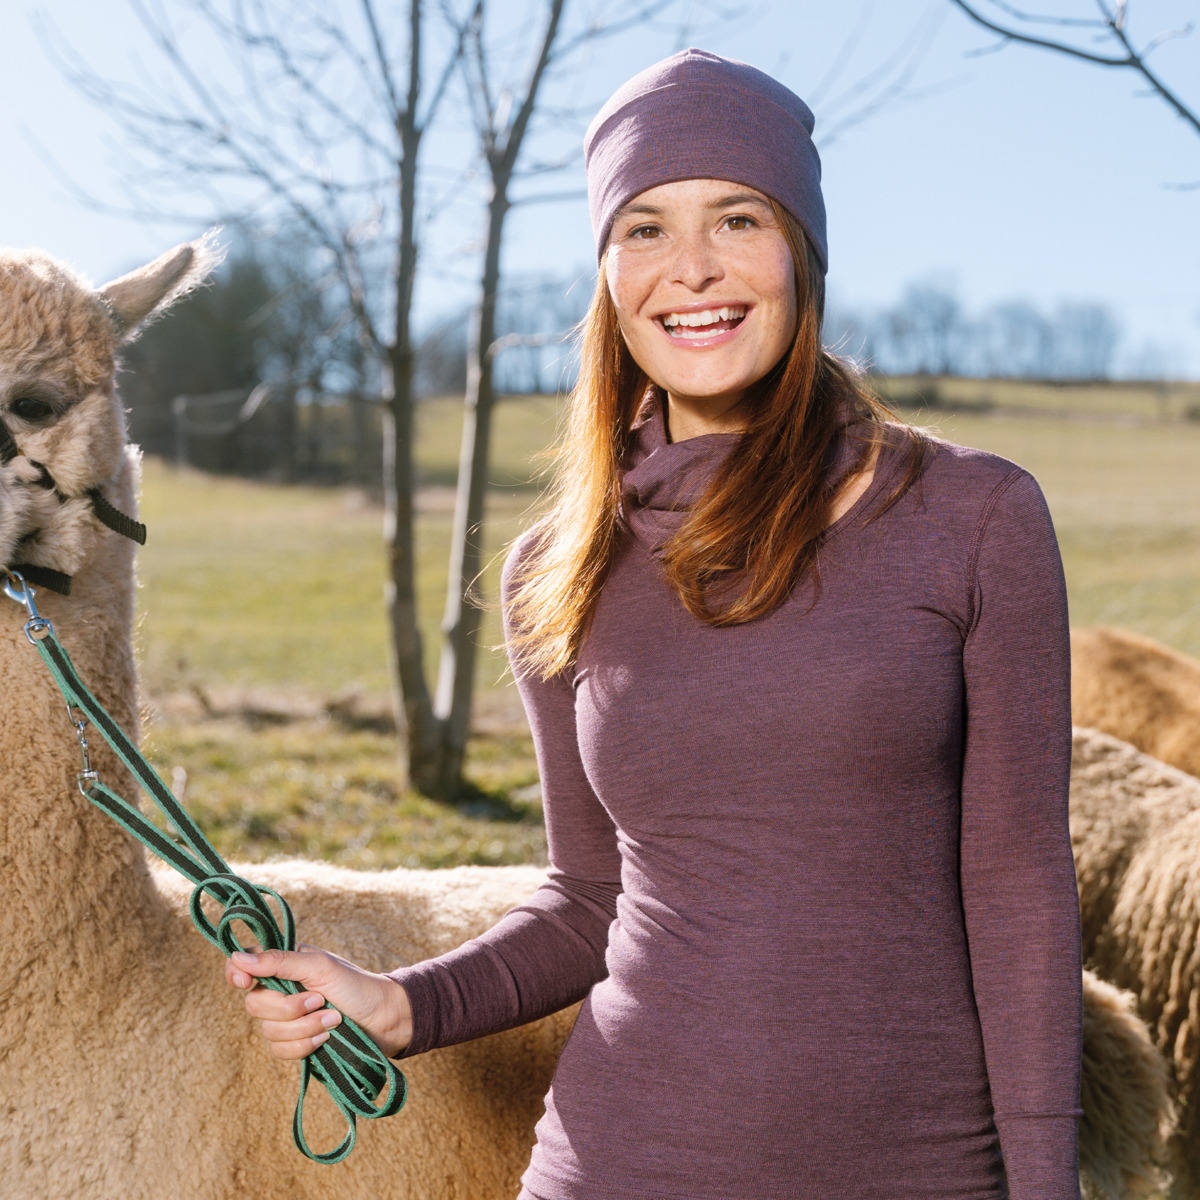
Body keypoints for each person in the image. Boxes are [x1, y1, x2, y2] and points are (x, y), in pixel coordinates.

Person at [225, 48, 1083, 1200]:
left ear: (803, 250)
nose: (692, 268)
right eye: (644, 228)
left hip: (919, 1169)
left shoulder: (974, 517)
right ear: (608, 275)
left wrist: (1046, 1182)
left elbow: (1022, 889)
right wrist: (403, 1004)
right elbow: (592, 898)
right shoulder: (559, 568)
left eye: (737, 218)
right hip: (618, 1162)